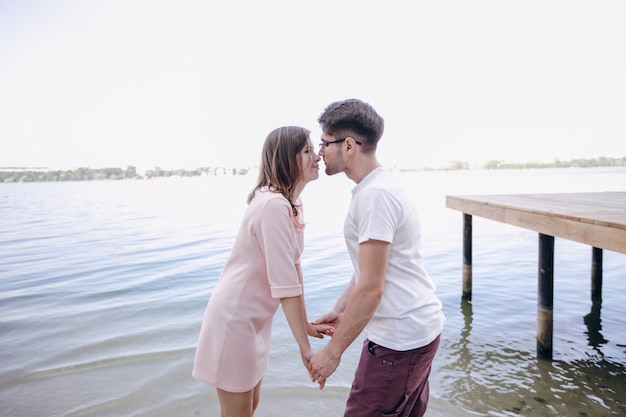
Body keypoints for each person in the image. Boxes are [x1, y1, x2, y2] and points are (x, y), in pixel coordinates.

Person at [308, 99, 445, 417]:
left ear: (349, 146)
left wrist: (332, 352)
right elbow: (369, 268)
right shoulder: (378, 187)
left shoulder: (375, 196)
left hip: (399, 342)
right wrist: (340, 309)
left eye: (324, 143)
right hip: (416, 330)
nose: (320, 152)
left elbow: (372, 287)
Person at [192, 126, 333, 417]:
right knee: (238, 412)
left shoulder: (291, 203)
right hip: (235, 322)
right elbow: (284, 285)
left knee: (251, 405)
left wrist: (305, 323)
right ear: (286, 159)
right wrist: (305, 350)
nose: (317, 155)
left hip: (255, 322)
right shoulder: (272, 206)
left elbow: (293, 267)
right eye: (307, 151)